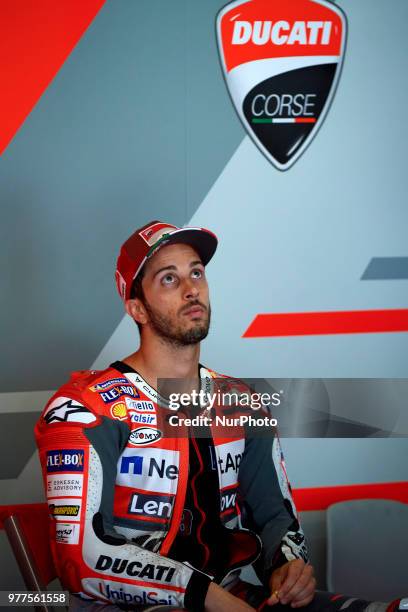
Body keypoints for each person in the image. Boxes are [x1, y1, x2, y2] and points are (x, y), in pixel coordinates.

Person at [35, 221, 405, 612]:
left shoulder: (240, 401)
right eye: (168, 279)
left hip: (234, 599)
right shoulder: (85, 406)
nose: (192, 289)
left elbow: (274, 516)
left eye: (196, 272)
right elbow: (80, 559)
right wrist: (207, 596)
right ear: (137, 307)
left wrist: (287, 568)